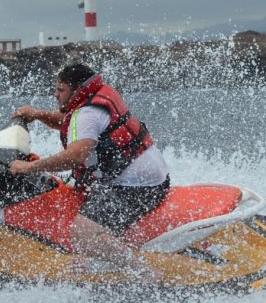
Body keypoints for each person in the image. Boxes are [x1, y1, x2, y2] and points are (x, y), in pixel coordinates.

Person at [9, 63, 169, 281]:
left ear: (76, 89)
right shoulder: (92, 100)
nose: (55, 94)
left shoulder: (87, 113)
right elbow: (67, 122)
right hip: (147, 175)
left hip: (138, 187)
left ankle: (146, 274)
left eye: (60, 89)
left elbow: (75, 156)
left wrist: (30, 167)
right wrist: (36, 114)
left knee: (82, 234)